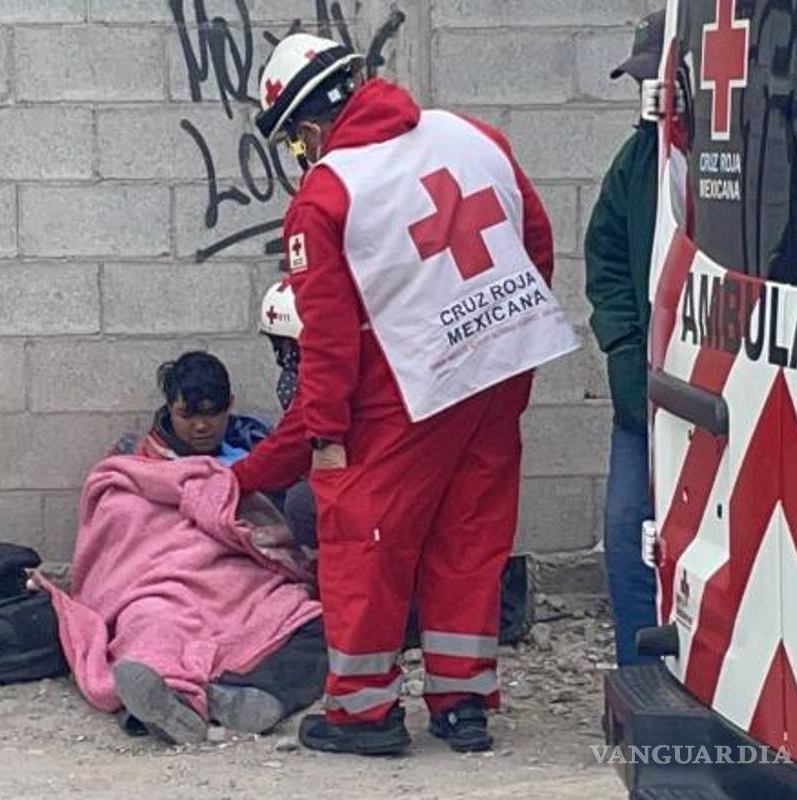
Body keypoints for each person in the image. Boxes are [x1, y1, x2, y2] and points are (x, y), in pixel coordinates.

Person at [234, 33, 578, 755]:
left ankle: (365, 714)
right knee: (470, 538)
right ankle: (464, 703)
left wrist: (324, 437)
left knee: (365, 543)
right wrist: (500, 350)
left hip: (401, 390)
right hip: (498, 373)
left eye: (297, 145)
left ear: (306, 128)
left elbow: (326, 337)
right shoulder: (472, 135)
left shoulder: (328, 192)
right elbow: (535, 245)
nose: (302, 158)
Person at [584, 11, 665, 667]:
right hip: (642, 396)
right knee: (626, 530)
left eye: (652, 78)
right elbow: (606, 254)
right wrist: (620, 344)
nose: (643, 92)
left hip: (715, 395)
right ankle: (641, 672)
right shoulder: (640, 156)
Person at [119, 351, 268, 465]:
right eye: (187, 415)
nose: (201, 426)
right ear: (170, 409)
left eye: (211, 413)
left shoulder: (259, 453)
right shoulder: (135, 460)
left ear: (229, 405)